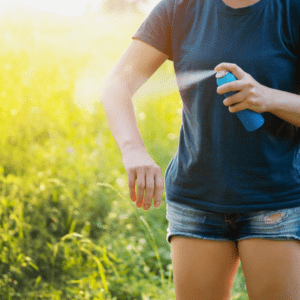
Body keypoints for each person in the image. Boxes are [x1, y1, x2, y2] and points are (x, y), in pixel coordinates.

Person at [100, 0, 300, 298]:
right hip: (196, 200)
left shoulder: (290, 10)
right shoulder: (179, 8)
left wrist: (267, 98)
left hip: (275, 200)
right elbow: (117, 83)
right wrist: (134, 151)